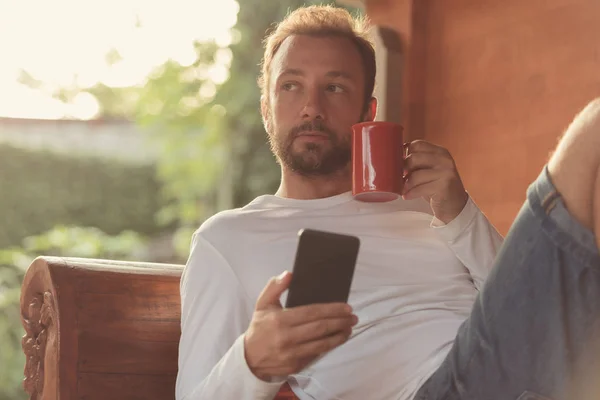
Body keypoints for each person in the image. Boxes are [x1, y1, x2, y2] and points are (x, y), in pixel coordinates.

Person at [176, 5, 600, 400]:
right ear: (267, 109)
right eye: (291, 85)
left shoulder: (427, 204)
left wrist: (461, 213)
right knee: (592, 133)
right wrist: (252, 362)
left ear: (368, 112)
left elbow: (524, 303)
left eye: (335, 87)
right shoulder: (229, 239)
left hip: (518, 367)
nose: (311, 107)